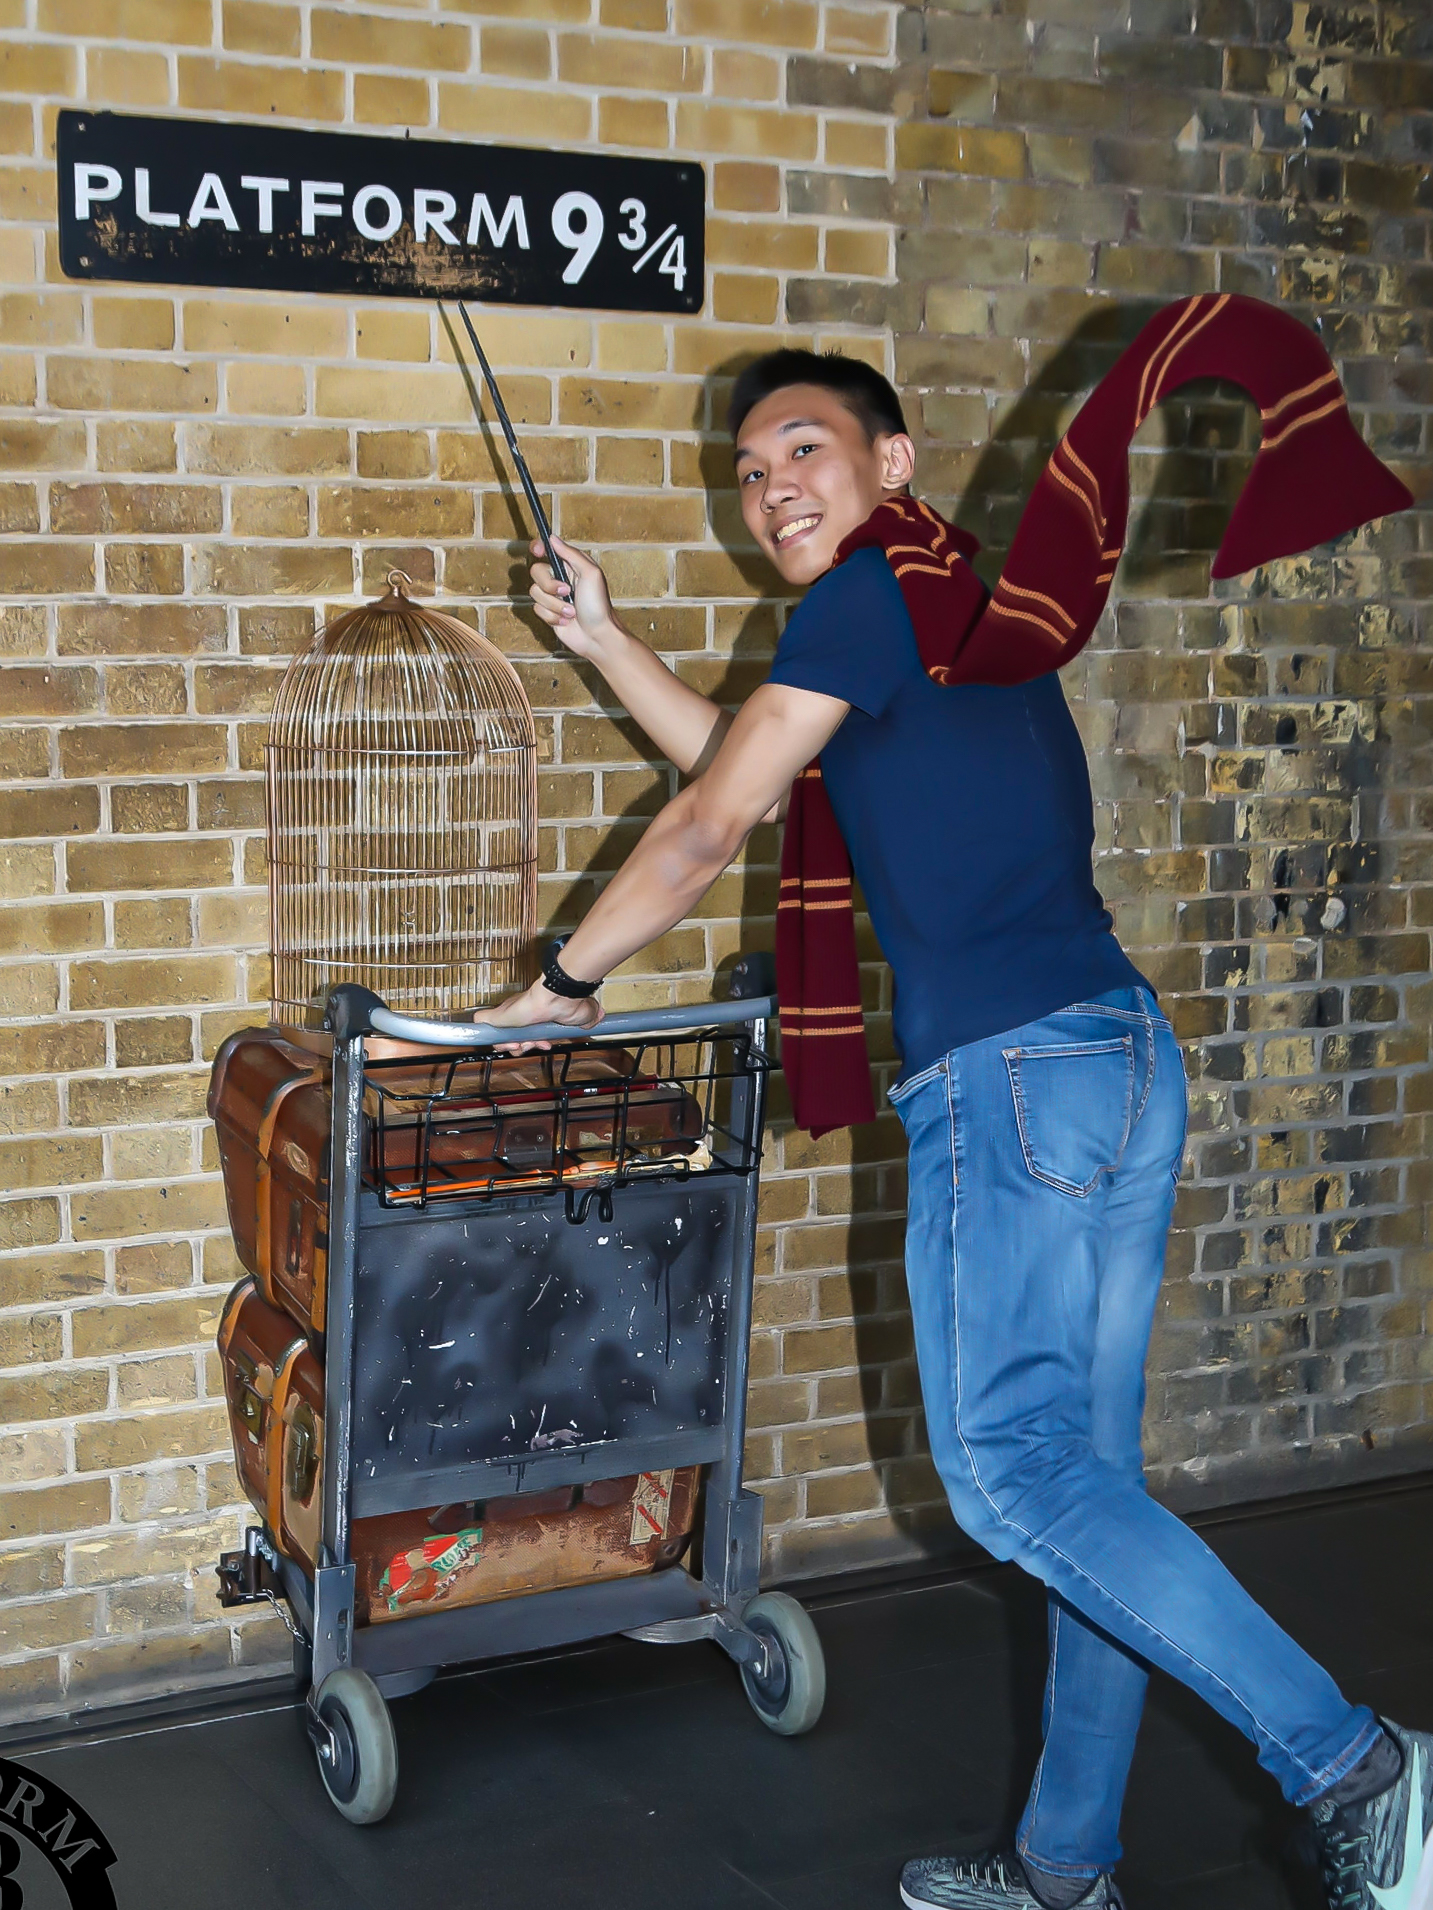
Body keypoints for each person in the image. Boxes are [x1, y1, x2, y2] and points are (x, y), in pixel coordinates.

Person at [483, 348, 1432, 1910]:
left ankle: (1359, 1772)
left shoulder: (865, 597)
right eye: (749, 472)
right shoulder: (934, 600)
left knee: (1012, 1478)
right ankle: (1062, 1868)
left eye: (803, 450)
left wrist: (562, 982)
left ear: (892, 460)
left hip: (1012, 1076)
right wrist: (601, 637)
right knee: (1083, 1490)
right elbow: (741, 766)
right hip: (1110, 1056)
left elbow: (713, 821)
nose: (771, 488)